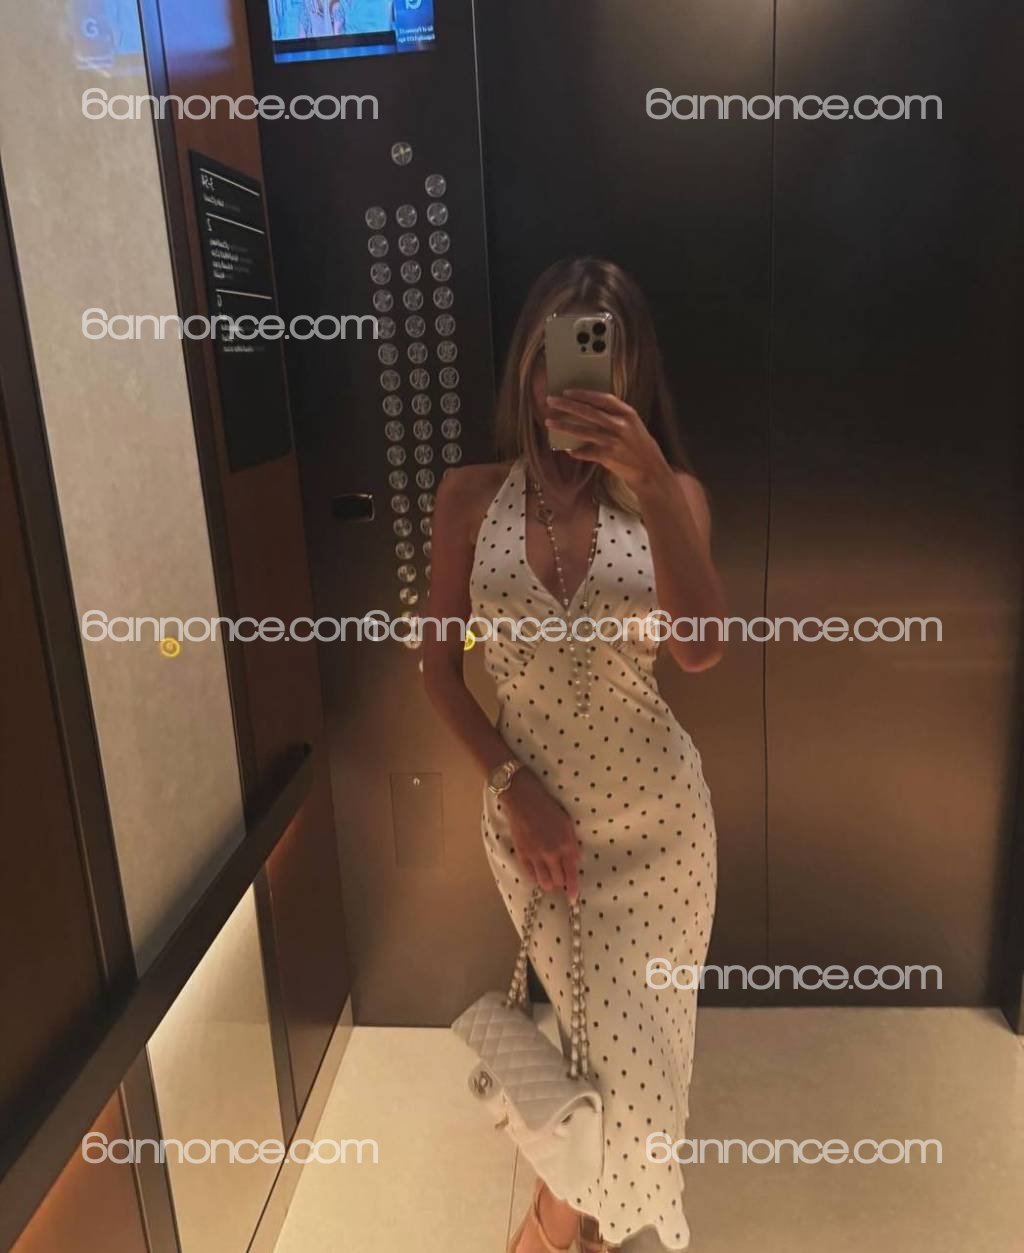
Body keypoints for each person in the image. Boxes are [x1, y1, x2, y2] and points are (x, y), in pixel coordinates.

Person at [423, 257, 724, 1251]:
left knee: (643, 1081)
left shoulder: (672, 495)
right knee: (596, 1071)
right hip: (541, 839)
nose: (571, 382)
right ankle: (578, 1227)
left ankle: (554, 1233)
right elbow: (437, 673)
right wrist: (514, 789)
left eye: (600, 356)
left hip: (662, 836)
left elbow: (700, 647)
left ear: (631, 373)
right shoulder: (469, 499)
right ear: (528, 362)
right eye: (558, 352)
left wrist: (652, 481)